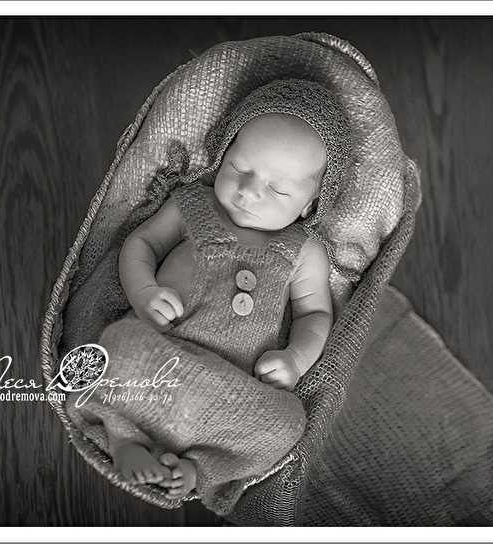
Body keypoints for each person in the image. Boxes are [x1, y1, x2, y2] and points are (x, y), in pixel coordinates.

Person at [65, 78, 352, 513]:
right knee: (120, 343)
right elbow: (142, 244)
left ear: (310, 205)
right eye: (239, 168)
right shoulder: (192, 206)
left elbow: (314, 313)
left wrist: (296, 359)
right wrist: (143, 293)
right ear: (222, 156)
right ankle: (124, 439)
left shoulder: (305, 251)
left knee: (289, 424)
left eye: (278, 189)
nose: (249, 190)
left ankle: (200, 467)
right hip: (161, 358)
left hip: (230, 393)